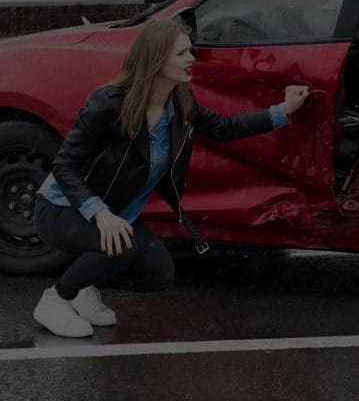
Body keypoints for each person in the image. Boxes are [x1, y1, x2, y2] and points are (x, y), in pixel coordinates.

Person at [30, 17, 309, 337]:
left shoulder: (180, 104)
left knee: (158, 273)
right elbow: (64, 165)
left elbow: (226, 128)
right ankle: (55, 299)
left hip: (116, 215)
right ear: (156, 59)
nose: (192, 59)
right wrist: (100, 212)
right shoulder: (109, 104)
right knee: (122, 248)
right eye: (181, 54)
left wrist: (283, 110)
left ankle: (83, 285)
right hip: (63, 208)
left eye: (190, 51)